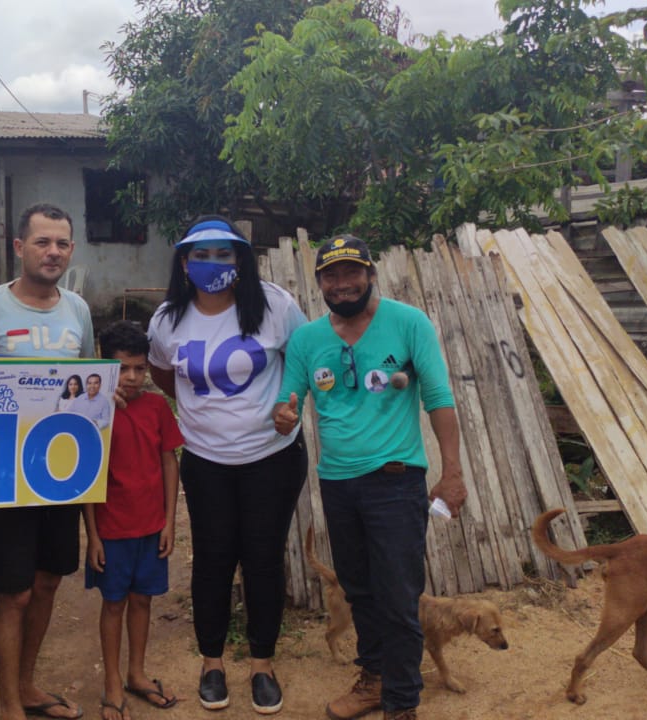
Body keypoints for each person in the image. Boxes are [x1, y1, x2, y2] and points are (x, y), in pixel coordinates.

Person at [272, 234, 468, 720]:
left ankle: (402, 704)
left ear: (370, 273)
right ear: (319, 282)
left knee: (399, 596)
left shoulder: (408, 323)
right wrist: (284, 416)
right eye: (331, 276)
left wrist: (453, 472)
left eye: (351, 272)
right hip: (338, 483)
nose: (342, 284)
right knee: (358, 589)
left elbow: (439, 398)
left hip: (395, 482)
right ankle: (375, 680)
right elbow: (289, 403)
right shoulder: (308, 339)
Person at [146, 215, 308, 714]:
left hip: (272, 459)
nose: (212, 263)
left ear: (241, 258)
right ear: (183, 261)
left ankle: (262, 664)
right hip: (206, 461)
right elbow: (163, 373)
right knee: (213, 562)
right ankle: (211, 663)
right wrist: (203, 411)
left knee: (262, 561)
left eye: (224, 253)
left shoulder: (276, 306)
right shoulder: (168, 320)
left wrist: (289, 403)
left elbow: (301, 360)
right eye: (201, 254)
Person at [0, 202, 94, 720]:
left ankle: (30, 685)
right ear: (19, 247)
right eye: (42, 242)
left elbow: (86, 389)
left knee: (48, 581)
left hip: (60, 471)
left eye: (61, 243)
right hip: (6, 475)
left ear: (71, 250)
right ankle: (10, 703)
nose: (52, 252)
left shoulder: (77, 311)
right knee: (13, 592)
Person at [83, 321, 184, 720]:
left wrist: (170, 521)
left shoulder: (157, 407)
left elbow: (168, 461)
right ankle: (111, 684)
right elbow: (85, 476)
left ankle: (136, 674)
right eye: (122, 368)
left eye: (139, 369)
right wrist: (91, 535)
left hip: (150, 526)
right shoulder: (92, 411)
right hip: (111, 530)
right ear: (104, 364)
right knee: (114, 605)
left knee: (143, 601)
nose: (131, 378)